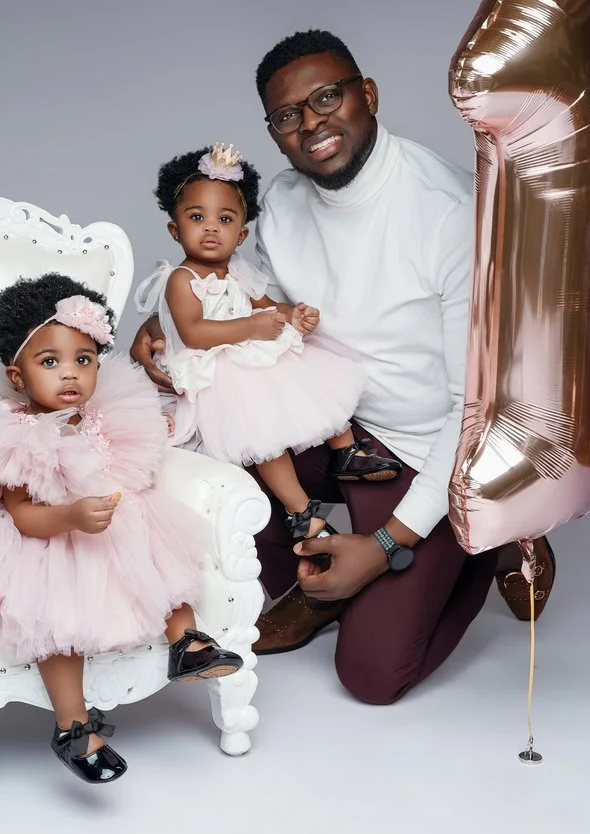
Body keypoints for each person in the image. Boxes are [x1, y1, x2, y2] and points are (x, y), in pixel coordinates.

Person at [131, 29, 556, 705]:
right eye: (288, 115)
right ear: (274, 133)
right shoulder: (283, 203)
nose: (312, 122)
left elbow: (476, 408)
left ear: (369, 95)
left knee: (372, 675)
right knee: (208, 447)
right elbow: (235, 284)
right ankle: (317, 580)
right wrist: (161, 329)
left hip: (430, 449)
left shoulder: (451, 214)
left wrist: (388, 542)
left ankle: (490, 541)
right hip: (333, 421)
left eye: (327, 97)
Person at [0, 272, 242, 785]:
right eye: (49, 362)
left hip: (114, 526)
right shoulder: (14, 435)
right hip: (53, 543)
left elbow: (131, 474)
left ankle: (189, 645)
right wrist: (72, 517)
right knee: (56, 623)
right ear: (17, 376)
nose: (69, 373)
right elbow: (24, 515)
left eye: (83, 359)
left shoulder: (104, 417)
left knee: (158, 554)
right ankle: (73, 726)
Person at [134, 143, 401, 544]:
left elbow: (266, 303)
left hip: (248, 358)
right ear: (175, 229)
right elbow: (194, 332)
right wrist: (252, 328)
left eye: (224, 219)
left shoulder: (239, 270)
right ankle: (300, 510)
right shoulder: (181, 279)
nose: (210, 228)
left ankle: (346, 450)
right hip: (217, 375)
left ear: (241, 233)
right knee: (263, 438)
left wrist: (292, 316)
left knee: (310, 368)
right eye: (196, 217)